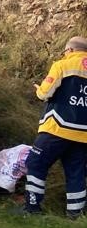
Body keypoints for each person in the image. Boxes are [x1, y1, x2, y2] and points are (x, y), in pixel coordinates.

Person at [24, 35, 87, 218]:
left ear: (71, 50)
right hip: (83, 134)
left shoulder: (62, 65)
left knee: (36, 163)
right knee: (75, 172)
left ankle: (32, 207)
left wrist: (39, 89)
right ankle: (76, 214)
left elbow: (45, 93)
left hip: (57, 128)